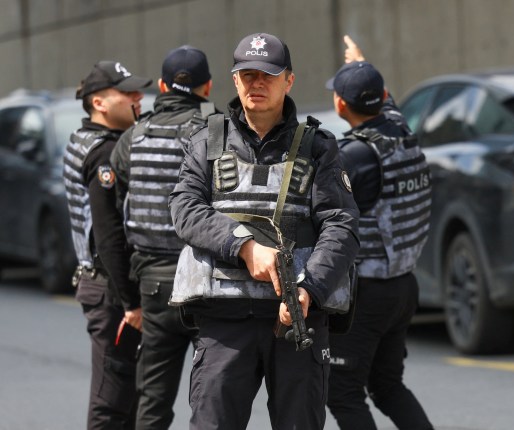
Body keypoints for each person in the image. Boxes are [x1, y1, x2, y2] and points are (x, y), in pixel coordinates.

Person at [168, 32, 360, 430]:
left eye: (268, 75)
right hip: (224, 320)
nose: (257, 83)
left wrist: (310, 290)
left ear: (288, 81)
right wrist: (243, 246)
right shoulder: (206, 141)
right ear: (235, 81)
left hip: (297, 318)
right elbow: (184, 208)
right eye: (248, 75)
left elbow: (340, 224)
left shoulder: (318, 147)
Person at [325, 35, 435, 430]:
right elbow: (386, 106)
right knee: (388, 386)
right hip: (404, 286)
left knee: (342, 392)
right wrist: (361, 64)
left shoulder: (353, 155)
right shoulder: (402, 133)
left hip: (367, 293)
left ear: (340, 105)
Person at [110, 45, 220, 430]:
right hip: (208, 281)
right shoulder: (217, 129)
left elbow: (120, 207)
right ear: (207, 86)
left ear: (161, 86)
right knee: (212, 401)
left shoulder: (133, 137)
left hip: (154, 285)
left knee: (153, 401)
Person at [63, 61, 151, 429]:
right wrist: (131, 302)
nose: (138, 97)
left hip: (99, 284)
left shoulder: (83, 137)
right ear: (98, 103)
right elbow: (109, 234)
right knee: (112, 405)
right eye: (127, 92)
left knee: (124, 400)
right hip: (112, 291)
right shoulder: (104, 152)